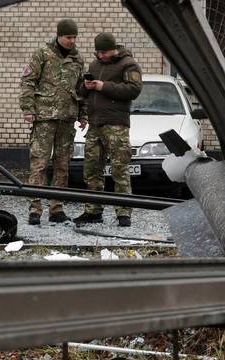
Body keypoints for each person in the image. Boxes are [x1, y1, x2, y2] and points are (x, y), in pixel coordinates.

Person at [19, 19, 87, 225]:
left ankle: (57, 208)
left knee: (62, 165)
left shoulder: (78, 59)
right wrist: (28, 109)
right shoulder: (43, 53)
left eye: (74, 37)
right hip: (45, 118)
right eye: (68, 37)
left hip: (67, 119)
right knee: (39, 163)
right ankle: (35, 209)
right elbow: (28, 81)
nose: (71, 41)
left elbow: (82, 89)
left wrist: (83, 114)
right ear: (59, 35)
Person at [73, 32, 143, 227]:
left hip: (116, 124)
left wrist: (104, 86)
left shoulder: (128, 64)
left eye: (104, 52)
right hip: (95, 125)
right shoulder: (94, 65)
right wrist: (86, 86)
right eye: (98, 52)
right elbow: (82, 93)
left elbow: (134, 90)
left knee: (120, 169)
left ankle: (124, 213)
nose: (101, 55)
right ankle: (93, 211)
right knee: (92, 169)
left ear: (114, 49)